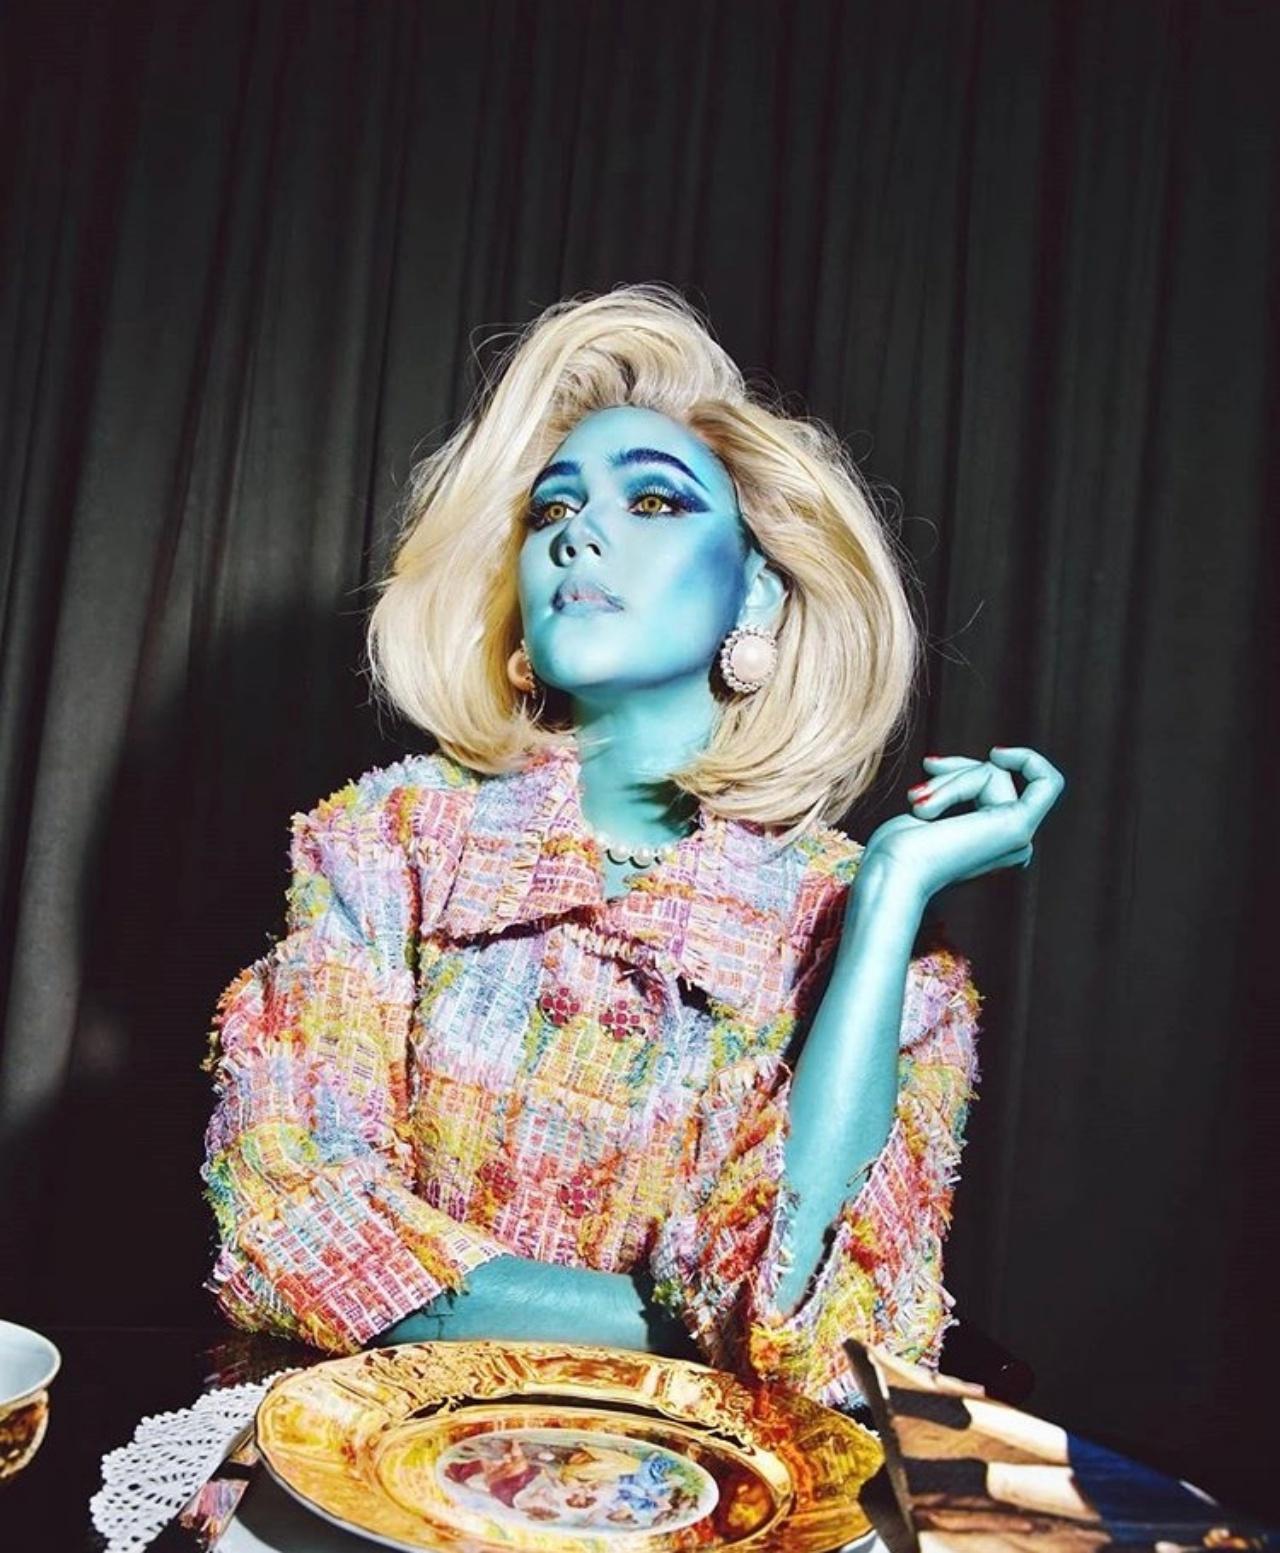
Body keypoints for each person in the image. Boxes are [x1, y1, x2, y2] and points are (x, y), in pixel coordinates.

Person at [199, 283, 1063, 1410]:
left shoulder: (877, 944)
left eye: (653, 501)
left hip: (703, 1488)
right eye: (550, 511)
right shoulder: (384, 841)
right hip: (371, 1462)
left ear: (758, 587)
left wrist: (890, 898)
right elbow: (290, 1222)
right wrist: (692, 1325)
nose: (579, 533)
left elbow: (836, 1331)